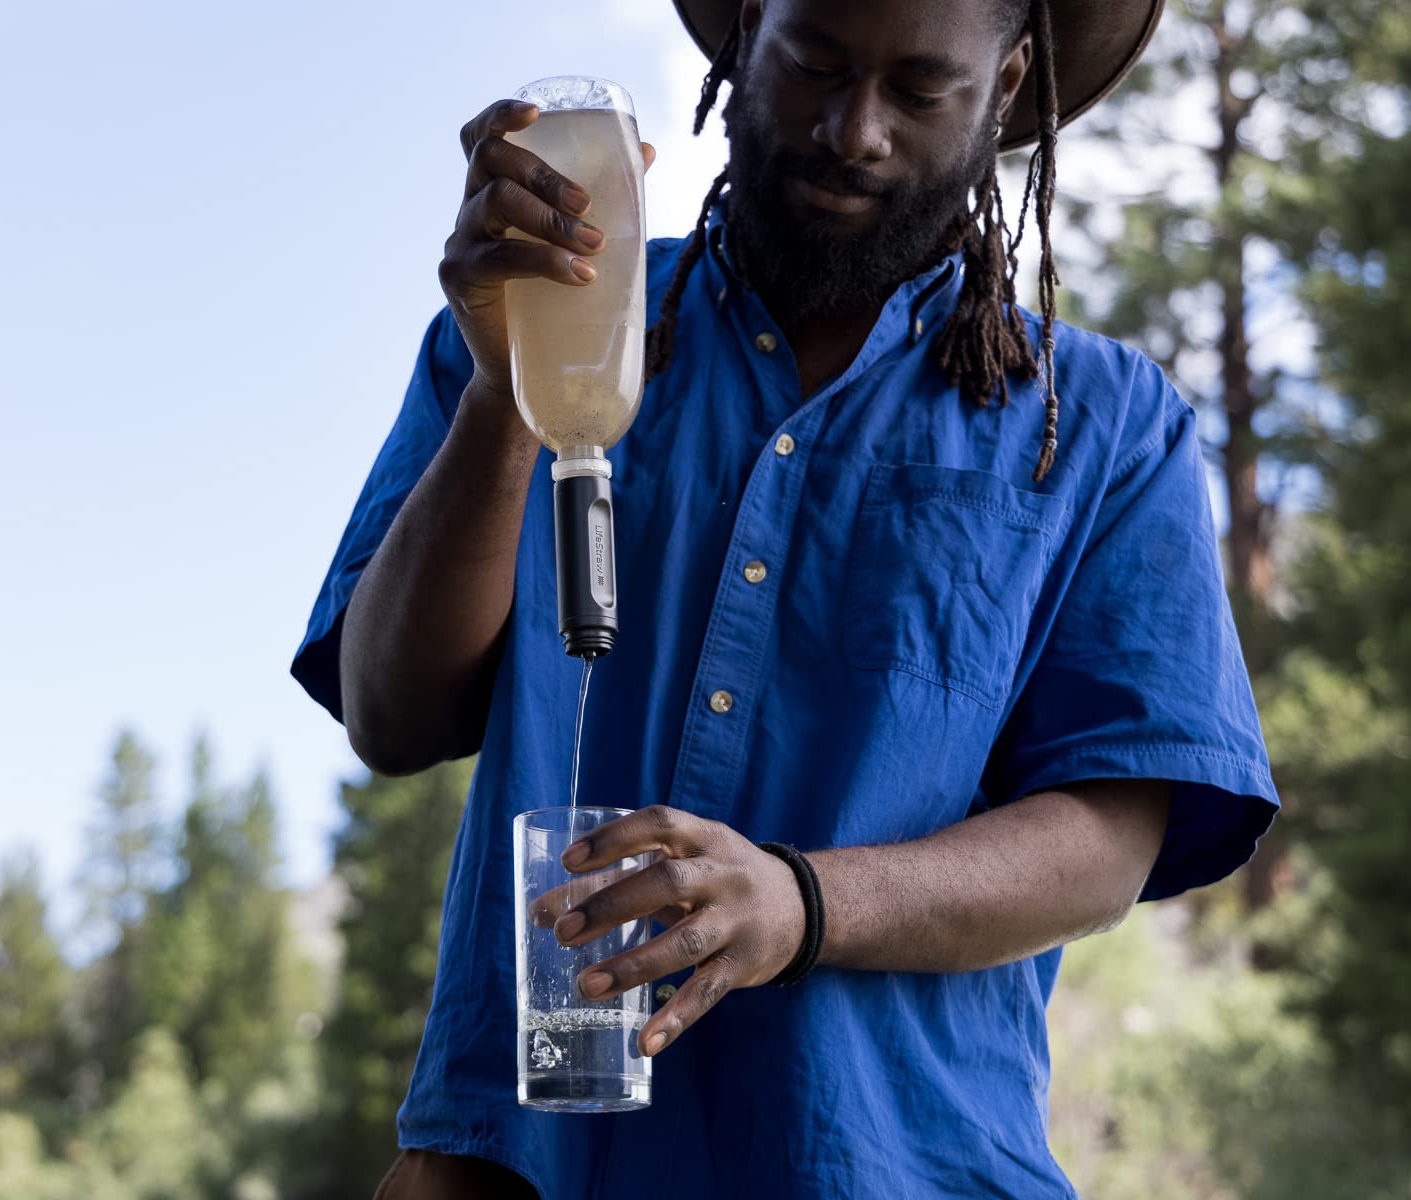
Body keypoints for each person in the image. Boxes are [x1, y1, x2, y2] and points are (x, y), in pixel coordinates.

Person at [292, 0, 1278, 1193]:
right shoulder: (533, 330)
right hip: (521, 1162)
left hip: (895, 1165)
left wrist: (801, 903)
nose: (850, 130)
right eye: (813, 63)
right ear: (746, 35)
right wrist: (513, 382)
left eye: (917, 91)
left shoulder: (1108, 430)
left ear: (1008, 83)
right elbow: (390, 714)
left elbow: (1107, 845)